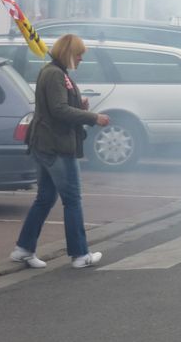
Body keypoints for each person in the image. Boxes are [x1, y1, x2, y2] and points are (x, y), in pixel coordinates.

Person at [10, 34, 110, 269]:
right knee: (72, 199)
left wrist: (79, 105)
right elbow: (59, 110)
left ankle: (23, 249)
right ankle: (80, 254)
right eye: (78, 54)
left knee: (44, 199)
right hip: (57, 146)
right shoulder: (56, 74)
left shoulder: (53, 71)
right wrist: (93, 117)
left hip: (44, 144)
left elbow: (57, 107)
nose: (81, 58)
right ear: (68, 53)